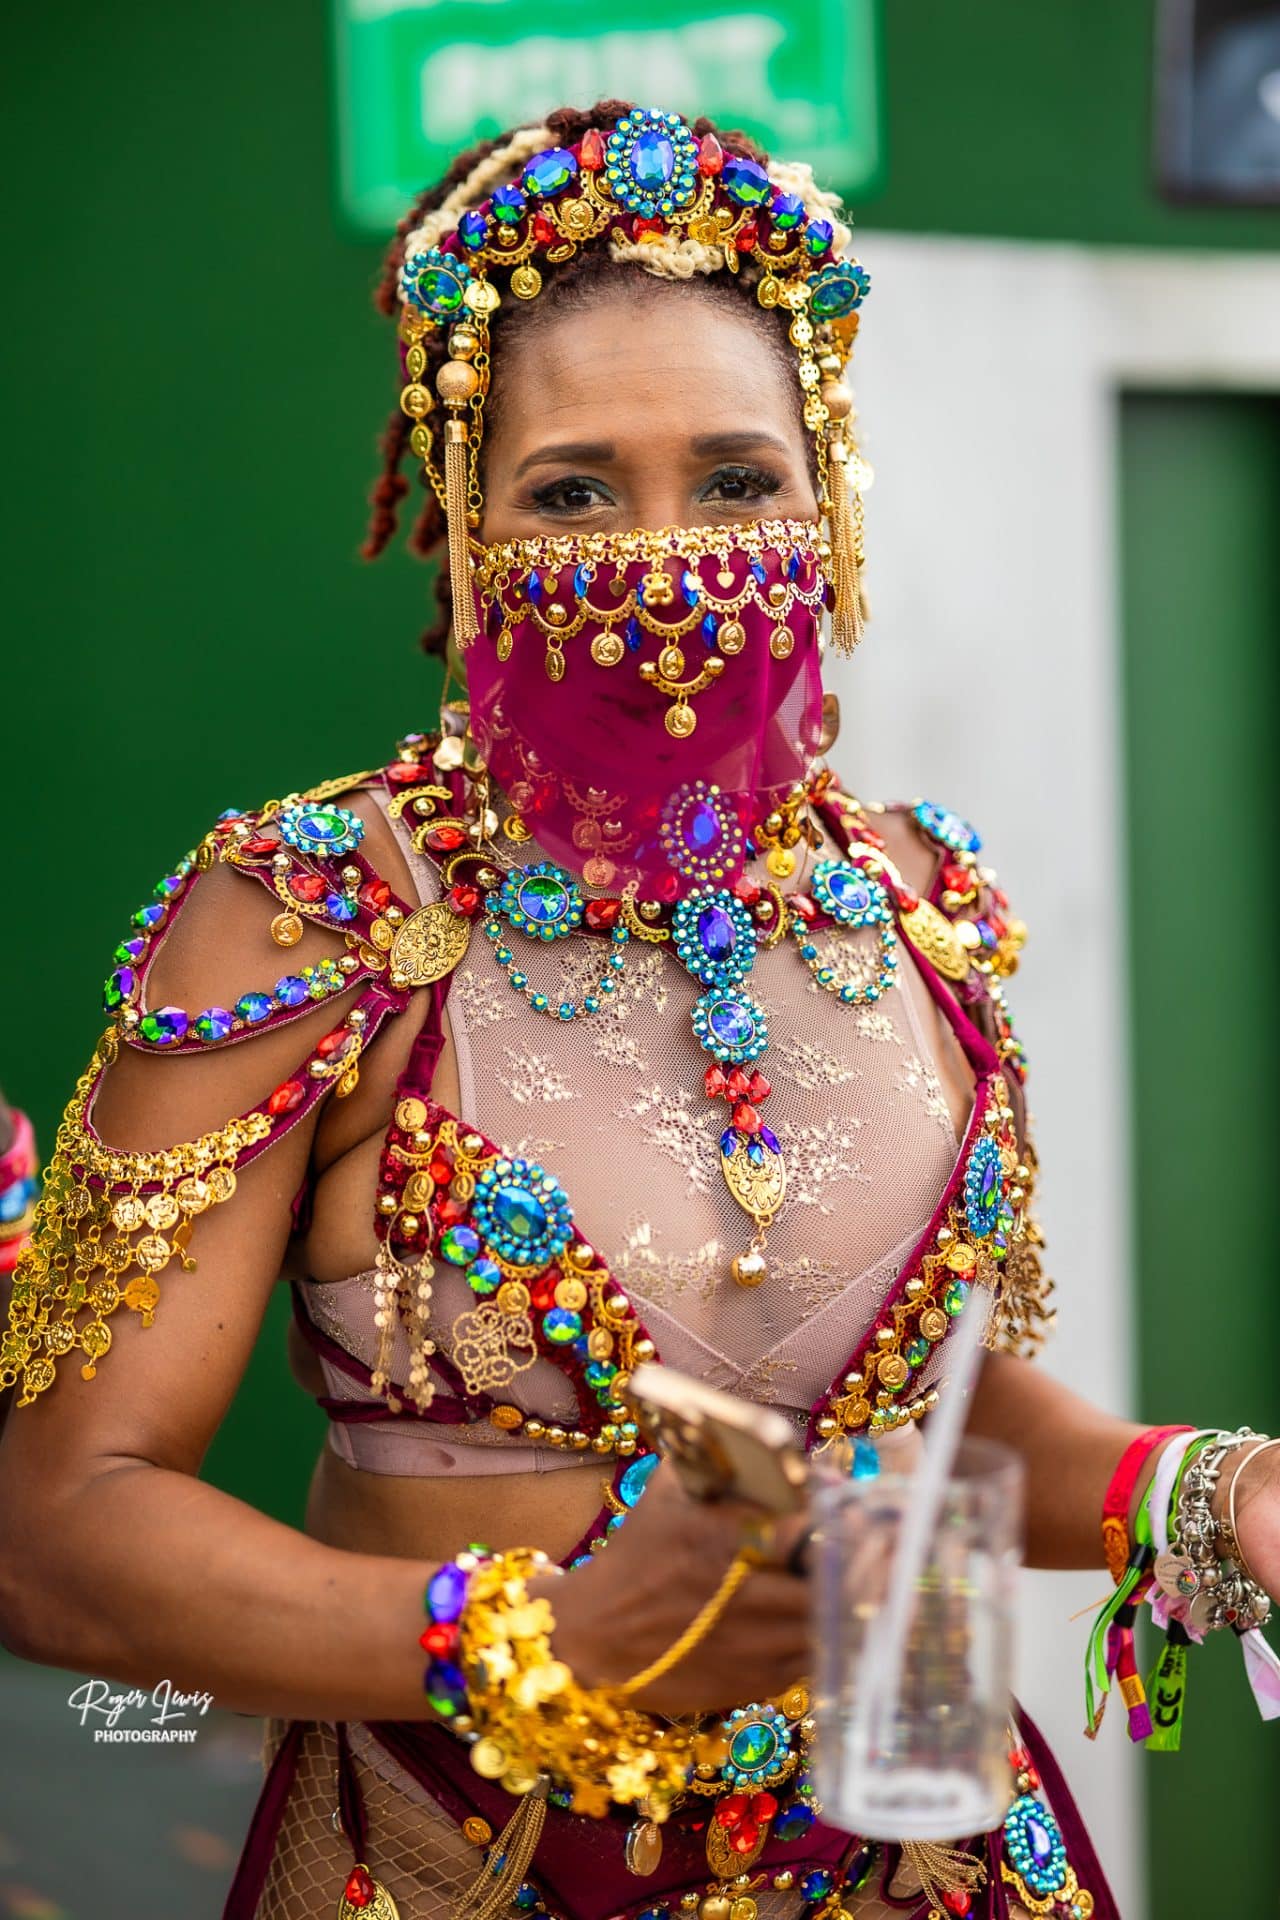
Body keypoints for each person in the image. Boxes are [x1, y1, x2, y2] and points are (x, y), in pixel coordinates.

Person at [0, 100, 1276, 1920]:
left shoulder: (924, 907)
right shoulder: (312, 916)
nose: (664, 561)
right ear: (464, 526)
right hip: (461, 1862)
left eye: (737, 482)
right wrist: (542, 1636)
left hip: (926, 1847)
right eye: (574, 493)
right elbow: (61, 1530)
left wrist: (1201, 1490)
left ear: (827, 502)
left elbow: (923, 1428)